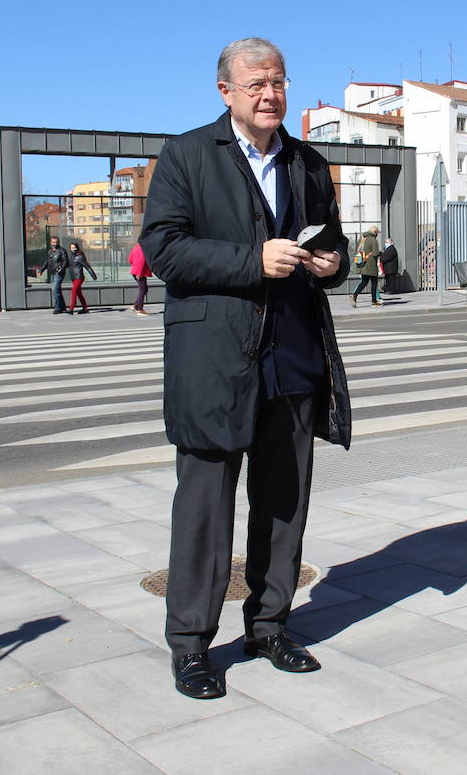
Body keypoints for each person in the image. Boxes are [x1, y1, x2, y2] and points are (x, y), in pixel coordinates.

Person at [138, 37, 351, 700]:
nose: (270, 94)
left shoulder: (309, 163)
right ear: (225, 91)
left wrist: (332, 265)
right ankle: (192, 645)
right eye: (256, 84)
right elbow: (164, 248)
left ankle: (270, 625)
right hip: (214, 362)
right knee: (204, 510)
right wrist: (251, 261)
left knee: (284, 504)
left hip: (291, 358)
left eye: (279, 82)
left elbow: (336, 244)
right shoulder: (187, 155)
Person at [350, 226, 380, 307]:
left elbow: (357, 250)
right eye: (377, 232)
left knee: (364, 282)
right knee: (374, 282)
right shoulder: (373, 240)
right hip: (371, 265)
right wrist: (381, 253)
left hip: (362, 264)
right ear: (375, 232)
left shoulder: (362, 238)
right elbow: (375, 253)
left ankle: (354, 295)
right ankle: (374, 301)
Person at [65, 242, 98, 314]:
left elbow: (87, 266)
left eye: (74, 247)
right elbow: (69, 265)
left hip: (79, 277)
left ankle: (71, 308)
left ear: (77, 248)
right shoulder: (72, 256)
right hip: (73, 277)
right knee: (78, 293)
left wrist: (93, 275)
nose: (73, 249)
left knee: (73, 291)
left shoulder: (80, 256)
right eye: (71, 248)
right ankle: (85, 308)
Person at [41, 236, 69, 314]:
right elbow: (48, 261)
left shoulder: (62, 251)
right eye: (53, 242)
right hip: (52, 272)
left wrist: (60, 270)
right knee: (57, 290)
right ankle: (63, 306)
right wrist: (42, 270)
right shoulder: (50, 251)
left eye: (56, 242)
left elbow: (65, 262)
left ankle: (58, 307)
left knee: (54, 289)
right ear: (51, 242)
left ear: (58, 242)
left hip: (58, 273)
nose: (55, 244)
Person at [129, 242, 153, 315]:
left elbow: (130, 259)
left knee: (144, 289)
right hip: (140, 272)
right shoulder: (143, 249)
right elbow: (141, 262)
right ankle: (140, 309)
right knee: (143, 290)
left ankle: (136, 305)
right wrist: (139, 273)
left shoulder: (135, 248)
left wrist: (135, 267)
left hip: (135, 271)